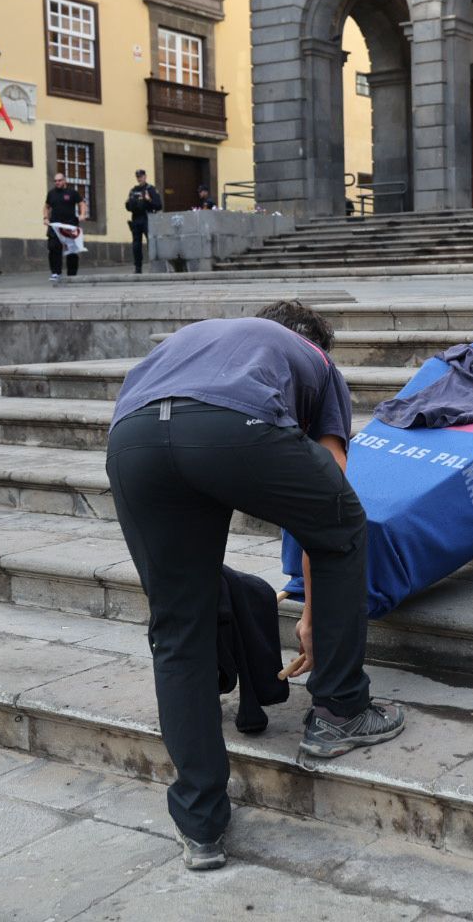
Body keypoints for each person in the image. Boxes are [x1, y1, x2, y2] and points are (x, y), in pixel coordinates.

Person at [105, 301, 405, 871]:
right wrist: (314, 617)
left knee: (178, 627)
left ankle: (200, 826)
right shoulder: (316, 361)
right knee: (345, 526)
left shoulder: (201, 337)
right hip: (229, 429)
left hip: (134, 439)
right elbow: (329, 516)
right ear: (316, 342)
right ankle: (342, 710)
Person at [43, 171, 87, 282]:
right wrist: (45, 218)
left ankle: (72, 275)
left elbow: (81, 203)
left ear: (64, 180)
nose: (57, 182)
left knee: (72, 250)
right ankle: (56, 273)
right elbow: (46, 206)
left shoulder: (72, 193)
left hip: (69, 225)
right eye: (55, 181)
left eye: (59, 180)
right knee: (53, 247)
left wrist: (82, 215)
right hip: (55, 226)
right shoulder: (51, 193)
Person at [125, 169, 163, 274]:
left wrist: (149, 200)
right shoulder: (133, 190)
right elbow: (128, 207)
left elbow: (158, 205)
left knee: (151, 243)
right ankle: (138, 268)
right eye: (138, 177)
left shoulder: (150, 189)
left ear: (145, 177)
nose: (139, 178)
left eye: (141, 176)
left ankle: (154, 266)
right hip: (136, 218)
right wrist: (128, 203)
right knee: (136, 245)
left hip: (147, 218)